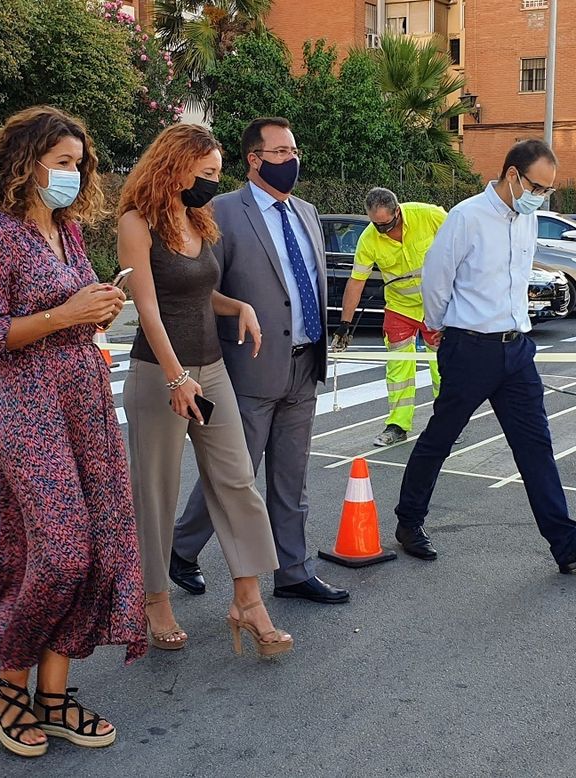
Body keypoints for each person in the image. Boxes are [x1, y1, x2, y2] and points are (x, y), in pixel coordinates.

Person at [0, 106, 140, 758]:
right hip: (31, 408)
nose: (74, 173)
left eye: (79, 164)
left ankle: (54, 696)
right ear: (25, 163)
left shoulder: (67, 234)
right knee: (60, 552)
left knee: (92, 551)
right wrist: (67, 312)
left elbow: (72, 318)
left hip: (85, 401)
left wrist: (96, 310)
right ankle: (10, 683)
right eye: (63, 162)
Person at [391, 139, 576, 574]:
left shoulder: (527, 219)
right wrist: (443, 328)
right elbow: (436, 280)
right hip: (470, 348)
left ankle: (566, 542)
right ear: (512, 175)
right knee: (441, 438)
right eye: (537, 187)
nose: (540, 197)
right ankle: (409, 522)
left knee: (536, 446)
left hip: (516, 350)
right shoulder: (466, 217)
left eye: (548, 191)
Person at [117, 123, 292, 658]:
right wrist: (175, 377)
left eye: (217, 174)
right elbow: (147, 306)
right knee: (157, 489)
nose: (213, 183)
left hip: (211, 370)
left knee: (236, 479)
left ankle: (248, 600)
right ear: (175, 165)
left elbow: (198, 290)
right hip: (159, 375)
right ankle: (155, 601)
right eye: (207, 173)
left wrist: (236, 305)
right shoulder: (136, 222)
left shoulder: (197, 217)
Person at [169, 117, 349, 605]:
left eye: (295, 152)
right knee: (235, 475)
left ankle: (292, 571)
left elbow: (309, 284)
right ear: (253, 159)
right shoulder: (222, 211)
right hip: (246, 368)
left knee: (292, 479)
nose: (292, 161)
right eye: (280, 153)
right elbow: (200, 288)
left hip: (304, 364)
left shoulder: (307, 213)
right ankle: (181, 548)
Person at [329, 188, 447, 447]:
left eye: (386, 224)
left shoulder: (428, 215)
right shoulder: (369, 239)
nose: (382, 230)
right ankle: (398, 425)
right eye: (376, 224)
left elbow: (462, 246)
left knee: (443, 367)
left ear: (398, 211)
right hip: (400, 308)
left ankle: (447, 422)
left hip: (437, 307)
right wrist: (345, 325)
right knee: (398, 369)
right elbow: (356, 282)